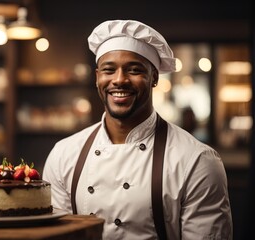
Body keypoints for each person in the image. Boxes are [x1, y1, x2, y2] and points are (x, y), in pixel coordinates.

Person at [43, 20, 232, 240]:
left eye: (134, 70)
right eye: (109, 70)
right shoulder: (64, 154)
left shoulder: (197, 161)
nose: (119, 80)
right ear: (97, 78)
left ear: (154, 78)